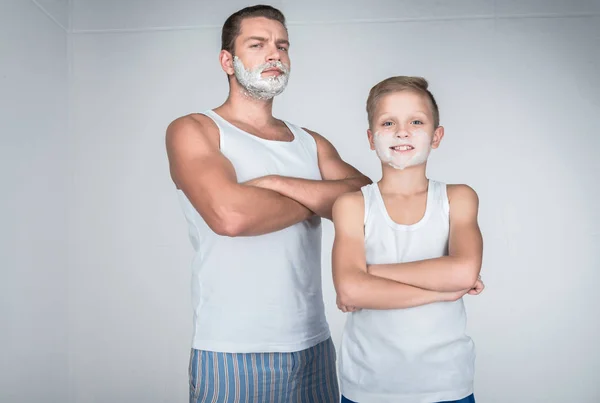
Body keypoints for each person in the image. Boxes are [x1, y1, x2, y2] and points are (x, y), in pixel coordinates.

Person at [165, 5, 371, 402]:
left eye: (282, 45)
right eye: (257, 44)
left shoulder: (311, 142)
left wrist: (278, 184)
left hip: (313, 343)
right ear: (228, 60)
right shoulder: (195, 129)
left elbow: (366, 199)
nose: (274, 54)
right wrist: (321, 198)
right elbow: (231, 216)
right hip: (232, 349)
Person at [332, 76, 485, 403]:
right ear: (371, 138)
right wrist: (443, 293)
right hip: (368, 385)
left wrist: (370, 273)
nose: (403, 131)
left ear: (437, 135)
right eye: (389, 123)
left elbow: (462, 274)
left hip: (447, 383)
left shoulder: (457, 198)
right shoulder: (352, 205)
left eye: (416, 121)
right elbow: (350, 289)